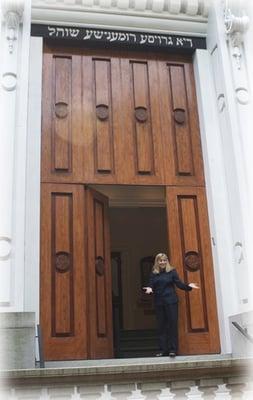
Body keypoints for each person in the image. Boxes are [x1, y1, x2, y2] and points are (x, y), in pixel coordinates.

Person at [143, 253, 199, 357]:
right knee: (161, 326)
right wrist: (150, 289)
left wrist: (188, 286)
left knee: (172, 325)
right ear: (157, 262)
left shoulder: (172, 272)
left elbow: (179, 284)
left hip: (171, 302)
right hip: (159, 302)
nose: (162, 262)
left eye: (164, 260)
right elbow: (150, 284)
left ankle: (173, 350)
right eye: (160, 260)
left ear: (167, 261)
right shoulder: (154, 273)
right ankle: (162, 350)